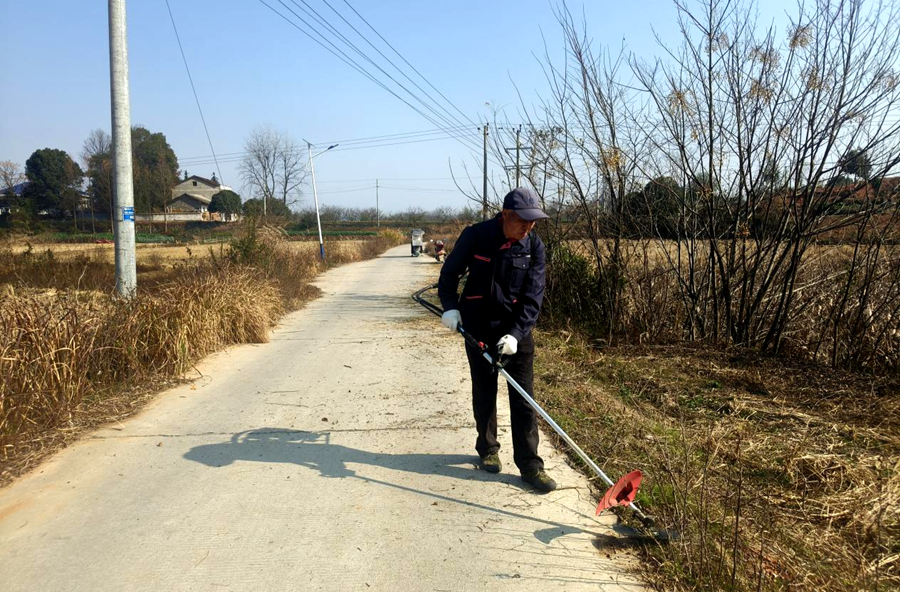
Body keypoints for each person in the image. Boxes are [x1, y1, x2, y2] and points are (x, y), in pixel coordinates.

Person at [437, 187, 556, 492]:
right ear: (505, 215)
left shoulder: (535, 247)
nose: (528, 227)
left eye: (533, 222)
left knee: (523, 398)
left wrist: (516, 335)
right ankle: (488, 449)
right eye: (522, 221)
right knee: (484, 390)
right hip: (477, 327)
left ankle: (530, 465)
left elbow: (533, 297)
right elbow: (449, 274)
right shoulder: (476, 236)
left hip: (516, 331)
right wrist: (450, 308)